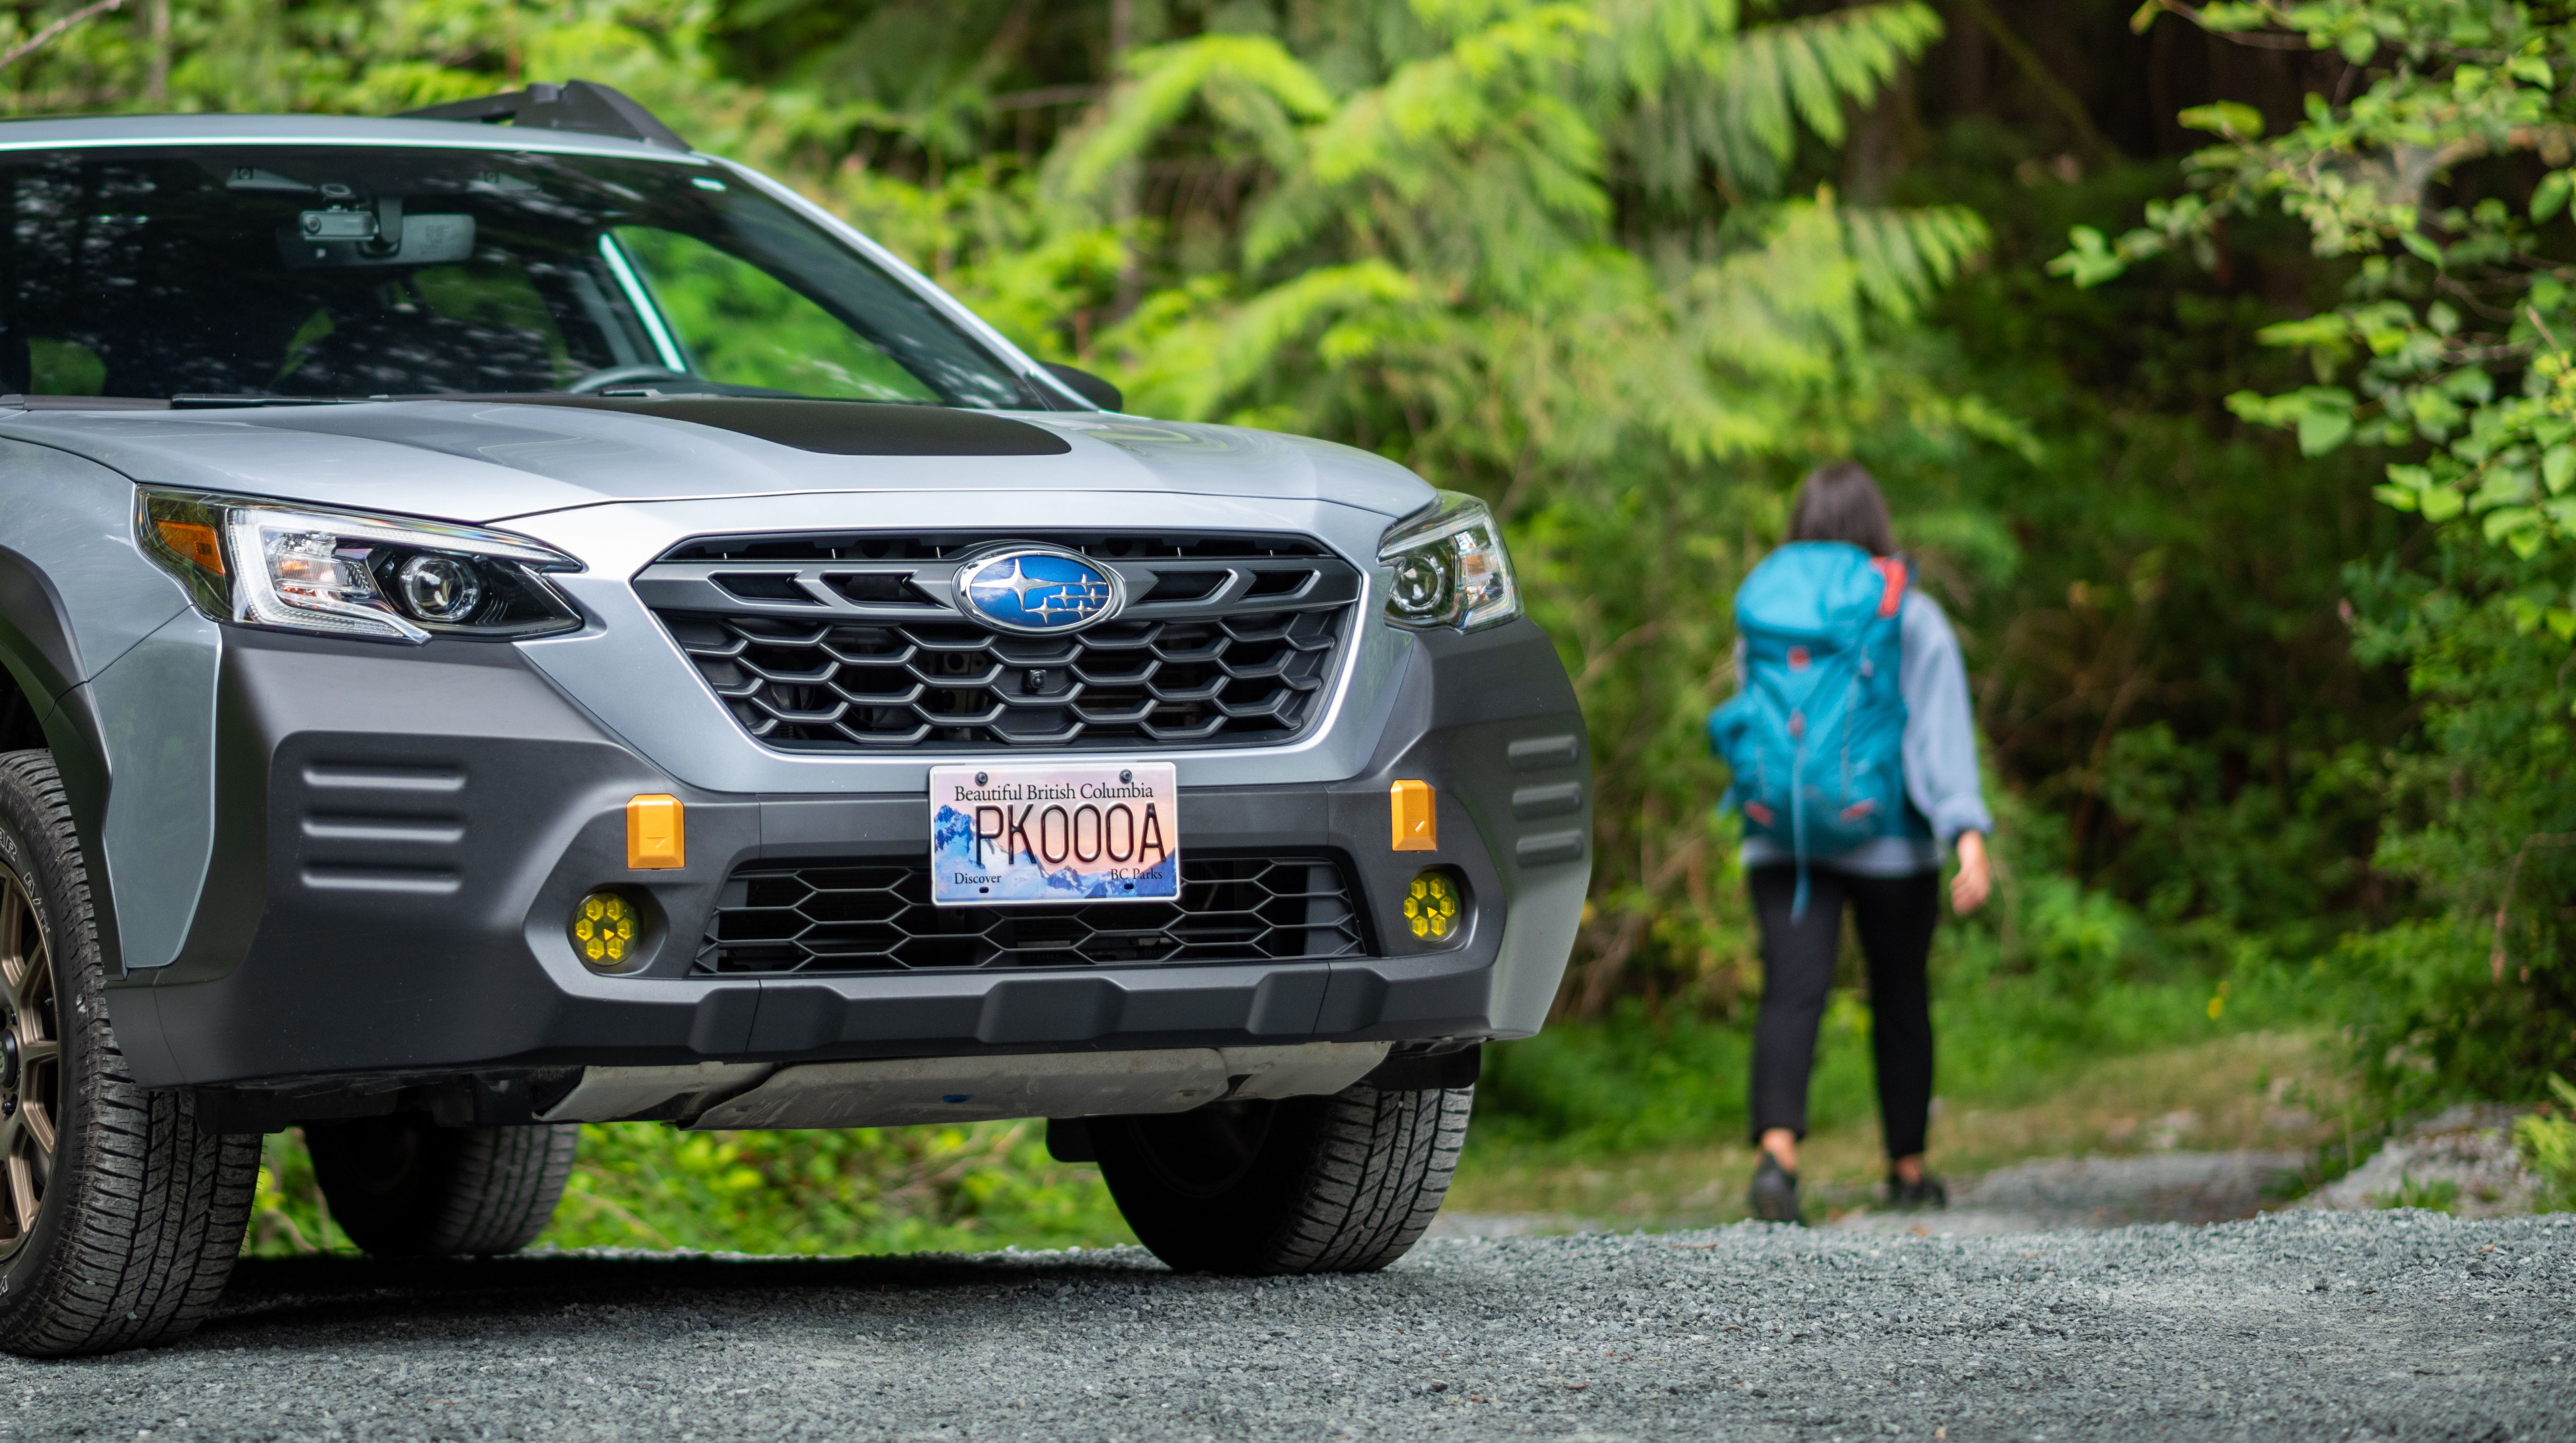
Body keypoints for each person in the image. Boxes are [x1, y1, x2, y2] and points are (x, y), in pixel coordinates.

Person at [1723, 461, 1992, 1223]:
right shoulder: (1907, 611)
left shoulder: (1769, 607)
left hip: (1783, 838)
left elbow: (1755, 716)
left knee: (1792, 993)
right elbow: (1938, 728)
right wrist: (1966, 830)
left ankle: (1777, 1159)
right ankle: (1907, 1169)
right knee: (1900, 995)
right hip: (1893, 843)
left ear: (1800, 524)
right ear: (1876, 522)